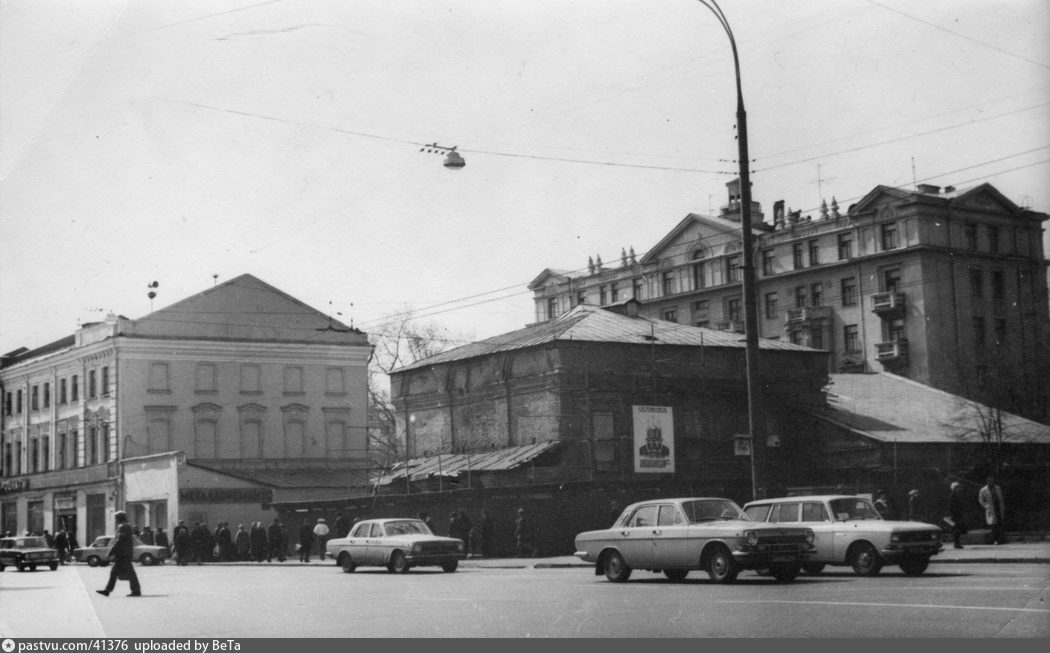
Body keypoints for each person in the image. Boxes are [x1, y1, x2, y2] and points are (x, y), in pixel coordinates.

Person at [96, 511, 141, 597]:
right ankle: (108, 590)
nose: (115, 520)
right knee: (115, 572)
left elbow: (119, 541)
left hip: (123, 554)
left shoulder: (123, 527)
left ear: (119, 519)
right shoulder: (126, 526)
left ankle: (135, 590)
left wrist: (110, 552)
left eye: (116, 518)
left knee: (129, 572)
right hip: (125, 553)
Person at [979, 475, 1007, 545]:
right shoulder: (983, 490)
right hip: (991, 508)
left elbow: (1001, 498)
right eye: (989, 480)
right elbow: (981, 500)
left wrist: (1003, 506)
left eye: (992, 480)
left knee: (1000, 524)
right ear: (987, 481)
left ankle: (1001, 539)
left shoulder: (997, 488)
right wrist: (986, 506)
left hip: (998, 508)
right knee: (993, 526)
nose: (991, 481)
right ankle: (995, 540)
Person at [947, 482, 968, 549]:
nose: (959, 488)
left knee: (957, 529)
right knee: (956, 529)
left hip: (957, 515)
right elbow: (951, 507)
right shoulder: (952, 496)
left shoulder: (957, 495)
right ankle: (956, 543)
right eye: (957, 487)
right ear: (954, 488)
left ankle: (957, 543)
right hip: (954, 516)